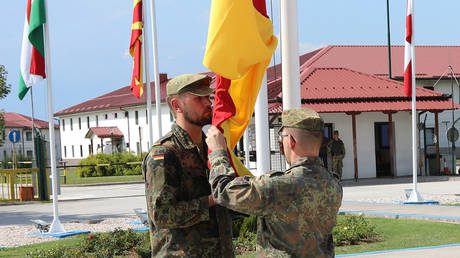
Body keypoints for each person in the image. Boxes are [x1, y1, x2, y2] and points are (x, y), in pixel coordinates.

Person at [206, 107, 343, 257]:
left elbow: (223, 190)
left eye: (282, 137)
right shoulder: (333, 184)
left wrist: (218, 153)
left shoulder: (281, 186)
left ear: (290, 141)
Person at [142, 74, 234, 257]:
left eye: (208, 97)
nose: (208, 103)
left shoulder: (212, 148)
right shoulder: (165, 154)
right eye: (198, 98)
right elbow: (162, 214)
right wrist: (211, 200)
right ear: (177, 105)